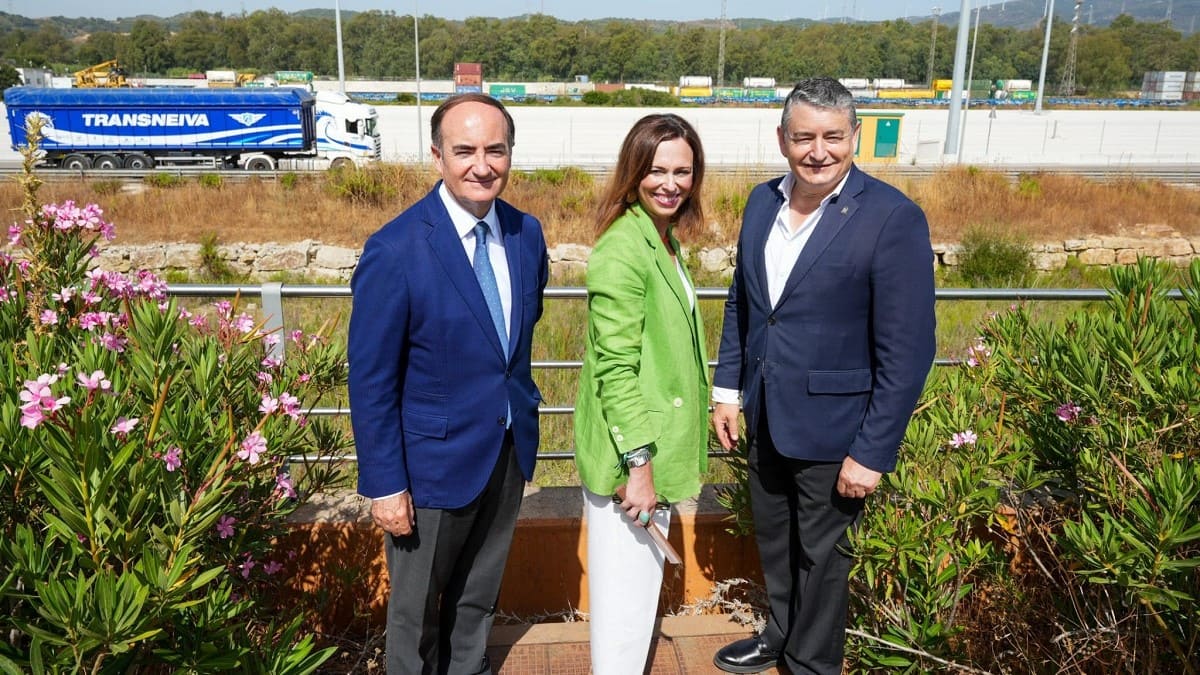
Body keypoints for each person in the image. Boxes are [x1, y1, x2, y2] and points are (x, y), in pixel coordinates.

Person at [710, 77, 936, 674]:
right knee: (777, 545)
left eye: (834, 137)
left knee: (823, 560)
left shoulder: (893, 218)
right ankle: (779, 636)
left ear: (855, 136)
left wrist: (874, 451)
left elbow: (908, 352)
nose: (819, 151)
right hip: (766, 415)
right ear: (782, 138)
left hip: (838, 433)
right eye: (804, 137)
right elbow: (745, 303)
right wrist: (727, 391)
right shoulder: (761, 202)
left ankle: (811, 666)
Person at [347, 93, 549, 675]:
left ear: (511, 153)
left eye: (496, 150)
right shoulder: (396, 249)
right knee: (415, 617)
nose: (481, 165)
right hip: (428, 467)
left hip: (505, 451)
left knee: (477, 597)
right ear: (437, 155)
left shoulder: (525, 234)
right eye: (464, 151)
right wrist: (385, 484)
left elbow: (512, 341)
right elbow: (371, 379)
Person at [573, 113, 711, 675]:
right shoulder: (624, 248)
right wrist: (639, 463)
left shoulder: (661, 237)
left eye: (683, 170)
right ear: (634, 173)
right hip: (632, 460)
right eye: (657, 170)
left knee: (636, 600)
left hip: (649, 452)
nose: (671, 183)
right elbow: (615, 367)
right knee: (626, 616)